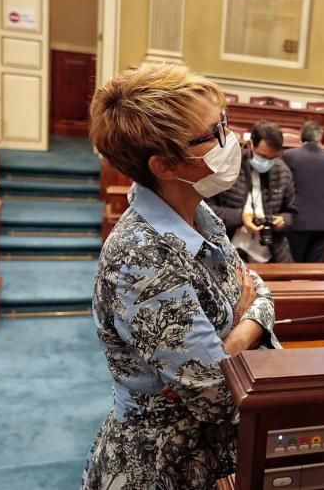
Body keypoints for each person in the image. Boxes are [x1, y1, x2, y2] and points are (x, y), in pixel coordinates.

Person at [83, 63, 281, 490]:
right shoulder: (140, 257)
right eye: (214, 133)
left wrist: (229, 336)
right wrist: (245, 326)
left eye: (223, 122)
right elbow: (215, 393)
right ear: (166, 165)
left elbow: (260, 290)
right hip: (157, 465)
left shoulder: (197, 212)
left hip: (207, 454)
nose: (231, 140)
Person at [208, 121, 297, 263]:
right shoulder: (228, 165)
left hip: (271, 253)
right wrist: (240, 217)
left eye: (273, 158)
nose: (267, 162)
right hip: (229, 252)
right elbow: (206, 210)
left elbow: (291, 212)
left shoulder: (283, 171)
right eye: (263, 156)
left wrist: (283, 221)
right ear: (250, 145)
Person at [282, 121, 324, 262]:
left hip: (299, 218)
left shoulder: (289, 155)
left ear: (300, 136)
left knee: (295, 264)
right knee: (315, 267)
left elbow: (285, 185)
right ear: (320, 137)